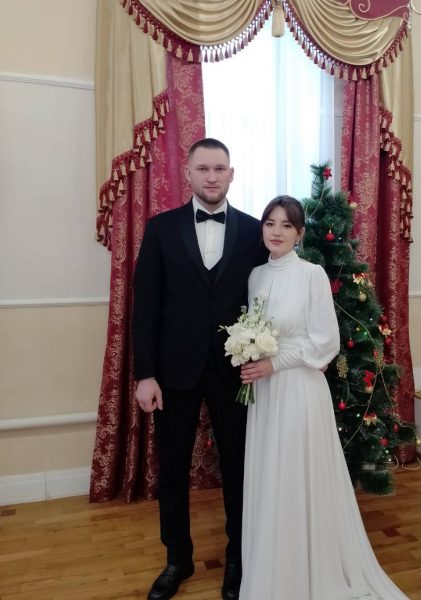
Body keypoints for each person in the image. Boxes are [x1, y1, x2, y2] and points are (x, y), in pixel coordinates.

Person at [238, 196, 409, 600]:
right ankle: (272, 568)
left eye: (287, 225)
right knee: (271, 475)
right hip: (265, 393)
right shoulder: (255, 275)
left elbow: (326, 342)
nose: (276, 231)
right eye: (270, 223)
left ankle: (308, 570)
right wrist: (249, 354)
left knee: (296, 473)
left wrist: (275, 363)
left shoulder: (311, 274)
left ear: (299, 234)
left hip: (298, 389)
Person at [133, 138, 267, 600]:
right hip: (174, 373)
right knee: (172, 469)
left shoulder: (255, 232)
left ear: (232, 174)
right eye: (203, 168)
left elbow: (267, 300)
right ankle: (178, 559)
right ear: (188, 173)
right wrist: (145, 374)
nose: (212, 176)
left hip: (236, 374)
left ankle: (238, 559)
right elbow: (145, 307)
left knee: (239, 469)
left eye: (219, 169)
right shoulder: (160, 229)